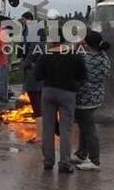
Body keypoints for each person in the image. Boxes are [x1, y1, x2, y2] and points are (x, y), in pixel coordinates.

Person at [35, 33, 86, 173]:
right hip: (67, 93)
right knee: (65, 129)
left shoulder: (45, 55)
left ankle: (48, 161)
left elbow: (37, 76)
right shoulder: (74, 54)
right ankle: (64, 163)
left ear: (51, 42)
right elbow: (83, 76)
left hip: (48, 92)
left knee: (48, 128)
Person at [73, 30, 111, 171]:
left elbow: (72, 58)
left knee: (89, 130)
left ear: (87, 43)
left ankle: (95, 161)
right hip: (97, 97)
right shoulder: (103, 57)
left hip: (84, 98)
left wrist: (78, 45)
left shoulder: (85, 58)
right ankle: (81, 154)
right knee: (84, 127)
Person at [19, 12, 45, 144]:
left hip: (34, 79)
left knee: (38, 109)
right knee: (41, 107)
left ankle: (40, 136)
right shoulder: (46, 44)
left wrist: (23, 65)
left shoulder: (36, 44)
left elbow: (30, 57)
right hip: (43, 80)